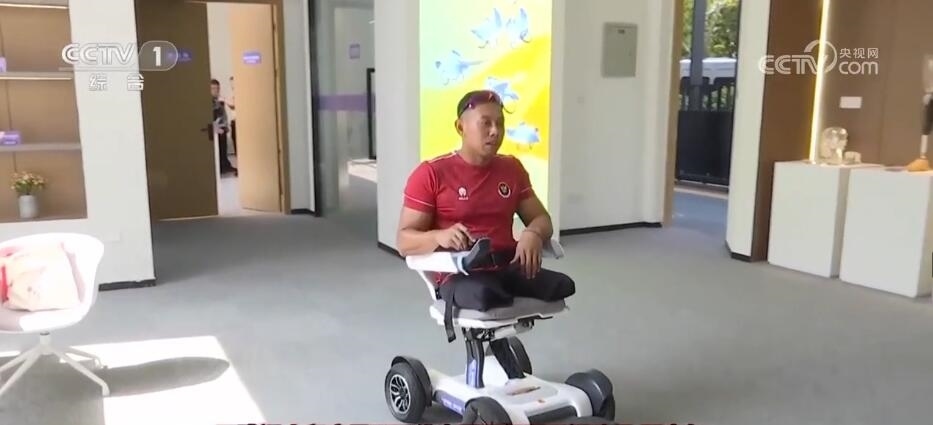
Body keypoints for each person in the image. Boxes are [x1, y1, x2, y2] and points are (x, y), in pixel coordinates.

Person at [396, 89, 575, 342]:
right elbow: (404, 241)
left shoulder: (511, 168)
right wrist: (439, 236)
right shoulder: (431, 173)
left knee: (562, 286)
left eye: (500, 123)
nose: (495, 131)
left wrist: (533, 233)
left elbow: (542, 219)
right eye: (486, 123)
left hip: (507, 266)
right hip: (461, 274)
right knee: (489, 295)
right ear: (460, 127)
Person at [210, 78, 236, 175]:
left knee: (223, 148)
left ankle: (225, 165)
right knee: (218, 150)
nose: (216, 91)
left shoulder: (219, 100)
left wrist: (225, 125)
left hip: (222, 127)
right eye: (213, 88)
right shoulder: (210, 101)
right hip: (215, 129)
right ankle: (220, 167)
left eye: (217, 88)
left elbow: (223, 114)